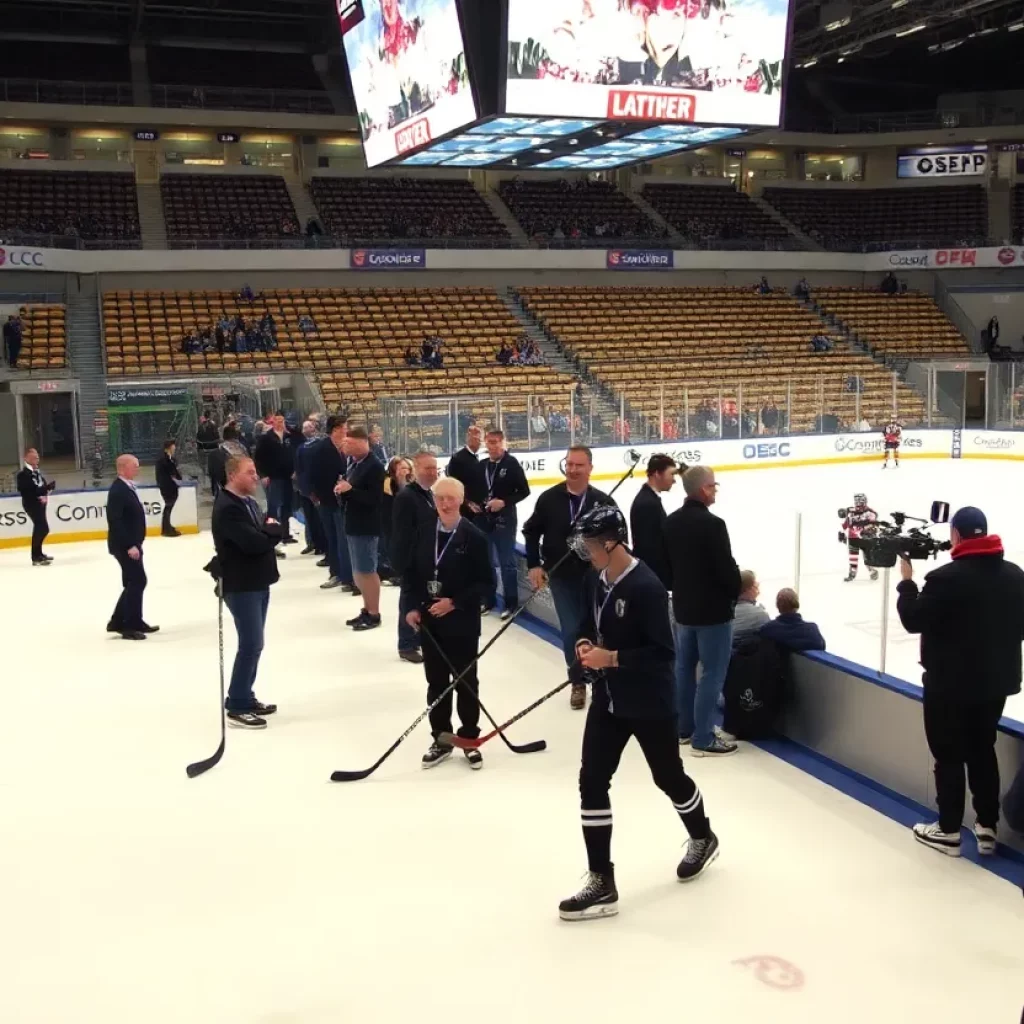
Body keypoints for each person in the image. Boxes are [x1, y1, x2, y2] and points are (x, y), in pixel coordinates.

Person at [558, 505, 719, 922]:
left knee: (668, 777)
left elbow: (663, 655)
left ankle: (703, 836)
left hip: (649, 704)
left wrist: (610, 657)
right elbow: (588, 625)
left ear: (613, 542)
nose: (586, 550)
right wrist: (584, 644)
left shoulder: (646, 587)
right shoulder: (598, 579)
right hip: (609, 702)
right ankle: (601, 880)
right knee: (591, 781)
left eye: (591, 543)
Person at [896, 506, 1024, 857]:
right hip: (995, 684)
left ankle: (949, 829)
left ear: (956, 535)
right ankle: (987, 826)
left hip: (948, 686)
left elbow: (912, 620)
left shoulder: (945, 579)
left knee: (948, 754)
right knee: (983, 749)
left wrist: (906, 583)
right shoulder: (1015, 576)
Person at [402, 477, 492, 770]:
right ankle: (441, 739)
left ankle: (468, 739)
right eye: (440, 497)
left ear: (461, 499)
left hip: (462, 622)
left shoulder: (475, 537)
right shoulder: (423, 531)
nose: (445, 503)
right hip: (431, 621)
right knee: (436, 682)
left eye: (451, 498)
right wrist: (413, 607)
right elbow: (412, 574)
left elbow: (486, 583)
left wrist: (454, 602)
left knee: (466, 682)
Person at [523, 445, 615, 710]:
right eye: (569, 464)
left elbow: (618, 540)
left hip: (596, 577)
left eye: (579, 465)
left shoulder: (603, 502)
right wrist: (533, 564)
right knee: (573, 629)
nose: (573, 470)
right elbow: (530, 532)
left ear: (590, 468)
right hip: (562, 576)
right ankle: (577, 681)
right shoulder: (549, 499)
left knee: (599, 629)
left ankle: (602, 680)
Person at [664, 465, 742, 756]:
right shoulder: (713, 524)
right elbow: (725, 569)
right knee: (712, 673)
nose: (715, 490)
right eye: (713, 486)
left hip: (684, 608)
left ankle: (683, 729)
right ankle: (703, 736)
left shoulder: (671, 522)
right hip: (713, 612)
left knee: (684, 669)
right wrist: (735, 587)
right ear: (703, 489)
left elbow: (667, 564)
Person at [210, 454, 282, 730]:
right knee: (251, 643)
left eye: (255, 471)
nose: (255, 476)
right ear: (232, 475)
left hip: (258, 580)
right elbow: (254, 542)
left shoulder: (248, 502)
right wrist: (271, 533)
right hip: (241, 584)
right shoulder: (228, 507)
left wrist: (269, 532)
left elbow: (267, 530)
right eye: (249, 472)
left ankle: (245, 694)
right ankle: (237, 702)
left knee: (256, 644)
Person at [390, 450, 438, 665]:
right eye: (428, 469)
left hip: (425, 558)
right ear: (416, 470)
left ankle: (418, 638)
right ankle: (407, 644)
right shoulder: (407, 497)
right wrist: (405, 563)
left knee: (422, 599)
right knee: (409, 601)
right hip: (412, 560)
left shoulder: (427, 494)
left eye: (435, 468)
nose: (432, 473)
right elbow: (402, 534)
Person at [337, 425, 386, 631]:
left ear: (362, 442)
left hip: (367, 524)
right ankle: (366, 608)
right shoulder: (353, 463)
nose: (345, 446)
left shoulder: (374, 466)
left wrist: (350, 491)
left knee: (367, 570)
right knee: (358, 571)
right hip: (353, 522)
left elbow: (374, 499)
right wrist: (342, 490)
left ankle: (374, 613)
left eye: (349, 443)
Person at [479, 429, 530, 620]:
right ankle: (489, 599)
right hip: (484, 520)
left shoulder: (511, 464)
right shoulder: (483, 465)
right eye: (488, 442)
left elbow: (524, 491)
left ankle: (511, 603)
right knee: (485, 562)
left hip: (505, 520)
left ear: (503, 443)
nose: (491, 446)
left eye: (495, 442)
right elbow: (476, 488)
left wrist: (505, 502)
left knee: (506, 562)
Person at [106, 454, 155, 641]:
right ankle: (127, 624)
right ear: (124, 468)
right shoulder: (118, 490)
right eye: (135, 466)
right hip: (125, 546)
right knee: (137, 580)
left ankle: (124, 620)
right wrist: (129, 545)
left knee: (133, 582)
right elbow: (115, 520)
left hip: (132, 544)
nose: (137, 469)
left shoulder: (125, 487)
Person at [309, 415, 354, 592]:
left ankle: (346, 574)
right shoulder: (321, 448)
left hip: (343, 500)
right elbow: (316, 475)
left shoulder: (346, 447)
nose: (346, 430)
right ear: (336, 429)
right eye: (344, 427)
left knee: (342, 539)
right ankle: (337, 573)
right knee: (334, 538)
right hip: (328, 500)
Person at [629, 453, 677, 590]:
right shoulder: (647, 504)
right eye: (671, 474)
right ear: (657, 474)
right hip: (654, 577)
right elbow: (650, 549)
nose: (674, 480)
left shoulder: (649, 499)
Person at [254, 411, 298, 547]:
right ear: (272, 422)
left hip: (288, 476)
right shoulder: (266, 438)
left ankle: (285, 533)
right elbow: (258, 458)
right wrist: (264, 475)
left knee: (287, 505)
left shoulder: (289, 436)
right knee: (273, 506)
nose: (281, 423)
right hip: (273, 477)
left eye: (282, 421)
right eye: (278, 421)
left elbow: (296, 451)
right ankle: (271, 533)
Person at [16, 447, 55, 566]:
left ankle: (38, 554)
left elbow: (40, 486)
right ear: (26, 458)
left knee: (41, 528)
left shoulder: (37, 472)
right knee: (42, 528)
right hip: (31, 503)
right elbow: (28, 491)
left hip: (40, 503)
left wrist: (47, 488)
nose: (37, 459)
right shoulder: (23, 475)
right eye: (34, 457)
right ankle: (35, 556)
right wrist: (46, 488)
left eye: (37, 457)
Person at [293, 420, 327, 557]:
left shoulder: (321, 444)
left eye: (310, 426)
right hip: (305, 487)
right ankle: (313, 543)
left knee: (319, 518)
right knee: (310, 518)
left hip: (317, 487)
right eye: (305, 427)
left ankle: (322, 545)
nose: (308, 429)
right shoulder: (301, 447)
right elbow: (298, 468)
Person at [760, 589, 825, 652]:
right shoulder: (811, 629)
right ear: (797, 604)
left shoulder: (769, 629)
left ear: (777, 606)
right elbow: (821, 645)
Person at [446, 425, 487, 522]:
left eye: (480, 439)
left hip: (482, 509)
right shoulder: (458, 458)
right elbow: (453, 485)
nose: (478, 442)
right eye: (475, 438)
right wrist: (467, 503)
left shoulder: (482, 457)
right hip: (467, 510)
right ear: (468, 438)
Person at [841, 493, 879, 582]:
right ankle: (852, 573)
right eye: (856, 500)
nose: (858, 503)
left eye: (860, 500)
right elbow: (846, 523)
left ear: (864, 501)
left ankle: (872, 571)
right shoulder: (850, 512)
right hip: (853, 538)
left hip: (865, 538)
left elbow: (873, 524)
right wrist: (842, 533)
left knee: (868, 556)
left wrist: (868, 531)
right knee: (853, 556)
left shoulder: (870, 512)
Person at [732, 570, 770, 647]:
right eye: (756, 587)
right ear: (748, 589)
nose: (758, 591)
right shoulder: (760, 615)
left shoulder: (724, 614)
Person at [208, 423, 247, 496]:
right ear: (235, 436)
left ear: (223, 437)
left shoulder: (216, 453)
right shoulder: (244, 449)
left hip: (223, 486)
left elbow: (212, 473)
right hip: (241, 484)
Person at [155, 439, 183, 538]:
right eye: (173, 445)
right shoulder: (164, 459)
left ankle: (167, 527)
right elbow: (171, 470)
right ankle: (166, 529)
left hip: (170, 485)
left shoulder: (169, 458)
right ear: (169, 447)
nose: (175, 447)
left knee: (169, 507)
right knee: (168, 507)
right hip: (166, 486)